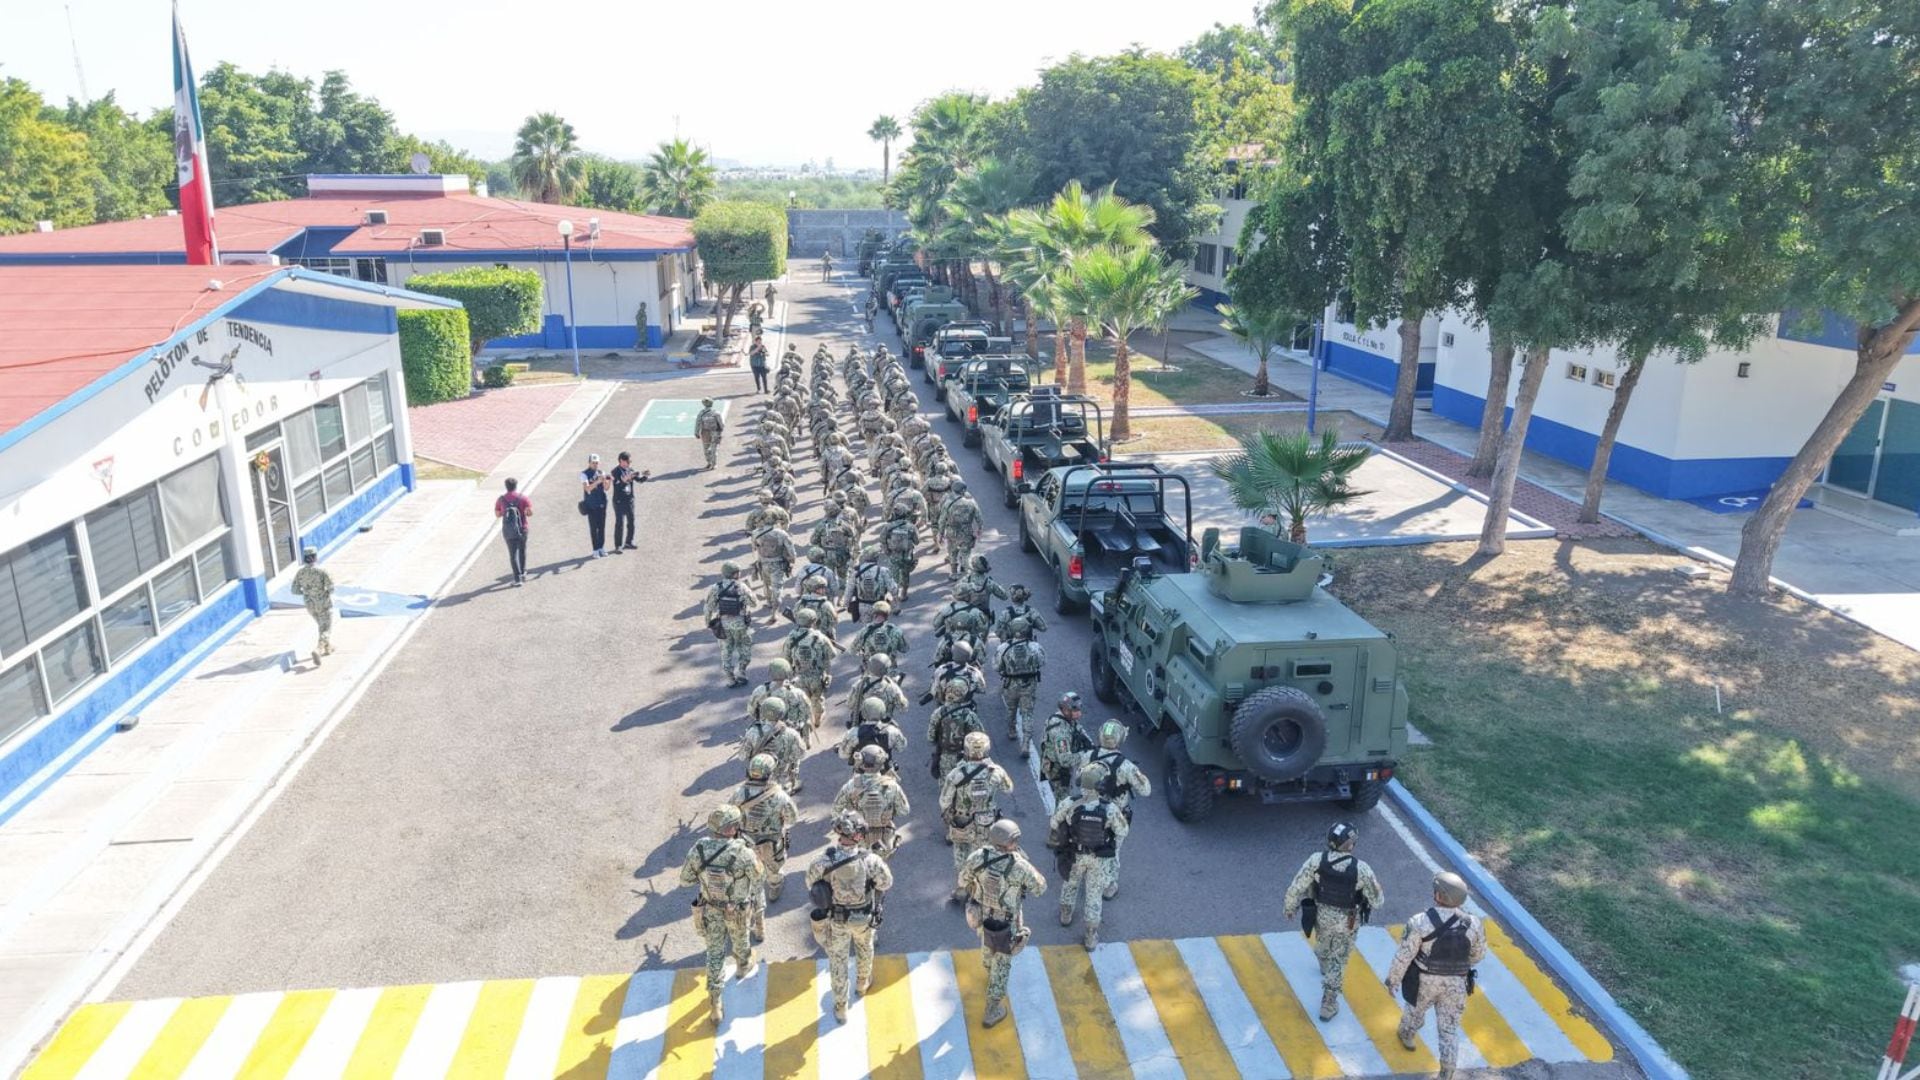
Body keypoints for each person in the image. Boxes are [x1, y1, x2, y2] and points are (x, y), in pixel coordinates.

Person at [1386, 872, 1487, 1080]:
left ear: (1439, 895)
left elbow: (1405, 955)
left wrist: (1393, 980)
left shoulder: (1420, 921)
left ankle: (1407, 1035)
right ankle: (1447, 1072)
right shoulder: (1474, 924)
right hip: (1456, 984)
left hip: (1423, 980)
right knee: (1449, 1029)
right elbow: (1478, 954)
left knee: (1414, 1011)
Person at [1282, 822, 1386, 1021]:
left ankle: (1322, 958)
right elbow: (1377, 901)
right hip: (1347, 921)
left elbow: (1297, 886)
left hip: (1321, 915)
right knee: (1338, 960)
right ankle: (1328, 1003)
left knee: (1323, 941)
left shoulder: (1316, 860)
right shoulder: (1361, 869)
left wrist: (1289, 908)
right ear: (1351, 845)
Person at [805, 811, 894, 1024]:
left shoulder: (824, 860)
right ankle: (862, 983)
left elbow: (810, 883)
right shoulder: (871, 860)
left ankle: (840, 1006)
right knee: (865, 948)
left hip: (837, 920)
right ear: (858, 835)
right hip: (863, 917)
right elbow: (886, 883)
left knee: (838, 960)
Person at [679, 805, 764, 1025]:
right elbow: (758, 880)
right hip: (736, 909)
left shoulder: (699, 849)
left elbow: (685, 880)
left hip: (710, 909)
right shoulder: (742, 852)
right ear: (732, 828)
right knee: (740, 939)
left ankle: (715, 1002)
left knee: (714, 953)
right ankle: (743, 964)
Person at [959, 819, 1047, 1028]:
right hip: (1006, 922)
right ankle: (992, 1008)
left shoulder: (978, 857)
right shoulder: (1019, 865)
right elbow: (1040, 888)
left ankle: (988, 968)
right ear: (1011, 841)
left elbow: (962, 881)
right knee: (1003, 963)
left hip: (980, 914)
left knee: (986, 944)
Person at [1049, 763, 1128, 950]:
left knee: (1070, 883)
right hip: (1098, 858)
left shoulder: (1070, 803)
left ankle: (1066, 914)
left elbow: (1054, 823)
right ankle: (1091, 935)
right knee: (1094, 894)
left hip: (1074, 854)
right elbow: (1123, 830)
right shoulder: (1109, 808)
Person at [1078, 720, 1152, 892]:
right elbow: (1146, 790)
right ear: (1120, 740)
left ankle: (1085, 873)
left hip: (1087, 810)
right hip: (1113, 815)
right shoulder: (1126, 766)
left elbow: (1080, 778)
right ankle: (1108, 886)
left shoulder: (1087, 756)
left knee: (1087, 842)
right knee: (1113, 850)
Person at [731, 754, 799, 940]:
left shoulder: (740, 793)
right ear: (770, 773)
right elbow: (792, 819)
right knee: (773, 869)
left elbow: (730, 816)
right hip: (771, 843)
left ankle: (750, 913)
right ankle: (775, 886)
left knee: (747, 878)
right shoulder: (779, 795)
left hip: (746, 843)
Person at [941, 731, 1013, 902]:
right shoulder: (995, 771)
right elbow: (1008, 789)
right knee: (982, 855)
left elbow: (944, 801)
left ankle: (961, 889)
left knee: (961, 855)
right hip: (987, 822)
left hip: (961, 822)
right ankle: (979, 893)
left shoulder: (957, 773)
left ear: (966, 749)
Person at [832, 745, 911, 857]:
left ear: (861, 763)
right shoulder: (892, 786)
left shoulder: (851, 785)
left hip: (858, 838)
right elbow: (904, 810)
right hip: (884, 836)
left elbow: (836, 811)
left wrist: (849, 819)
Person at [993, 618, 1045, 748]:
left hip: (1010, 684)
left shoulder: (1004, 647)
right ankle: (1026, 742)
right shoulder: (1034, 647)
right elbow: (1042, 662)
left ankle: (1012, 731)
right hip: (1029, 685)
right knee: (1027, 712)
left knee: (1011, 709)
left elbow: (997, 667)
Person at [703, 563, 755, 686]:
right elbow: (753, 603)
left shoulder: (716, 587)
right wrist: (749, 589)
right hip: (740, 625)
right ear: (735, 574)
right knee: (745, 648)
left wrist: (708, 622)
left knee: (726, 652)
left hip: (724, 626)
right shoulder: (742, 587)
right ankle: (742, 671)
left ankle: (730, 679)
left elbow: (709, 608)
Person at [1038, 693, 1093, 804]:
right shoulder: (1060, 732)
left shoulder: (1067, 720)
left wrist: (1091, 745)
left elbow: (1079, 730)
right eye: (1075, 710)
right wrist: (1087, 754)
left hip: (1060, 766)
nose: (1079, 713)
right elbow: (1065, 760)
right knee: (1063, 803)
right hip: (1058, 771)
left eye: (1079, 709)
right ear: (1065, 710)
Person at [290, 545, 335, 664]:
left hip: (310, 604)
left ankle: (328, 647)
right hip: (323, 603)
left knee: (321, 624)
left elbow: (294, 590)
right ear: (315, 557)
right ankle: (318, 649)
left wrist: (306, 592)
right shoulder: (321, 571)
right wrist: (322, 592)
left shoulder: (300, 573)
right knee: (327, 627)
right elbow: (331, 588)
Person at [610, 452, 651, 552]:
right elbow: (617, 486)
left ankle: (629, 542)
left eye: (630, 461)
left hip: (629, 500)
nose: (629, 463)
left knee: (631, 521)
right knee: (619, 523)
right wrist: (626, 479)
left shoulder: (630, 470)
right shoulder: (615, 472)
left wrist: (645, 476)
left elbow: (639, 480)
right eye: (628, 461)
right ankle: (618, 545)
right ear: (621, 461)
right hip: (619, 500)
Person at [494, 478, 532, 585]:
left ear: (506, 486)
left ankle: (517, 579)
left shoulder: (501, 499)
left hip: (509, 530)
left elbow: (497, 514)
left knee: (513, 554)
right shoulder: (523, 498)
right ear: (516, 486)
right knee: (522, 550)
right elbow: (529, 513)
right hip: (522, 528)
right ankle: (523, 572)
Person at [580, 453, 612, 557]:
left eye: (597, 463)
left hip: (602, 503)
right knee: (594, 528)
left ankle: (601, 547)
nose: (595, 465)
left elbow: (606, 488)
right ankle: (595, 549)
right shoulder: (584, 474)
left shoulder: (601, 472)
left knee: (602, 526)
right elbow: (587, 488)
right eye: (593, 463)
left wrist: (608, 481)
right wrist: (598, 481)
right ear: (589, 463)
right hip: (591, 504)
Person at [696, 398, 726, 467]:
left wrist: (696, 432)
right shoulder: (716, 413)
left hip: (705, 433)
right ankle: (714, 464)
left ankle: (709, 462)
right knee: (714, 449)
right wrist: (720, 432)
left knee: (706, 448)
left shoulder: (701, 413)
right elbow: (721, 424)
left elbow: (698, 423)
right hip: (715, 432)